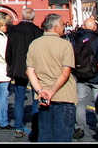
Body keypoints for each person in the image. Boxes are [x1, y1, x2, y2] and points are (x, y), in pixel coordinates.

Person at [26, 14, 77, 143]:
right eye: (62, 25)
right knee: (63, 134)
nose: (63, 27)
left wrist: (40, 91)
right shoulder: (65, 45)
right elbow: (65, 72)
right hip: (63, 95)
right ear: (55, 27)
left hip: (43, 97)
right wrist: (52, 91)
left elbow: (30, 71)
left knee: (45, 134)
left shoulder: (34, 44)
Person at [5, 7, 44, 139]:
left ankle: (18, 127)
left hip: (18, 68)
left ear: (21, 16)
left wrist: (10, 64)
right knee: (36, 98)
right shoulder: (38, 31)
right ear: (33, 17)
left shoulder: (14, 30)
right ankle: (35, 127)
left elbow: (8, 51)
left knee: (19, 98)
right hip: (35, 70)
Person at [70, 16, 98, 141]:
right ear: (94, 27)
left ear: (83, 26)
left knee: (81, 103)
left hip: (80, 75)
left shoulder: (75, 39)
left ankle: (79, 127)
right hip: (97, 77)